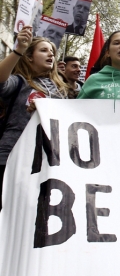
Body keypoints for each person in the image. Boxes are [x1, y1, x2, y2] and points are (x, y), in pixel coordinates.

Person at [0, 27, 69, 209]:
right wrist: (18, 50)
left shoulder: (60, 89)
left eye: (52, 52)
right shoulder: (19, 82)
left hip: (43, 159)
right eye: (44, 50)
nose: (51, 55)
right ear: (30, 56)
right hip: (10, 156)